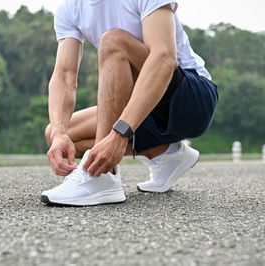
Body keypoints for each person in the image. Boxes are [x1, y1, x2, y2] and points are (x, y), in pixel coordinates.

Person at [41, 0, 218, 206]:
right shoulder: (69, 9)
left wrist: (119, 134)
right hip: (143, 106)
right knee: (58, 133)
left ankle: (101, 177)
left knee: (113, 42)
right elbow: (64, 75)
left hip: (191, 100)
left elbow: (164, 58)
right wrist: (59, 133)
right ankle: (167, 154)